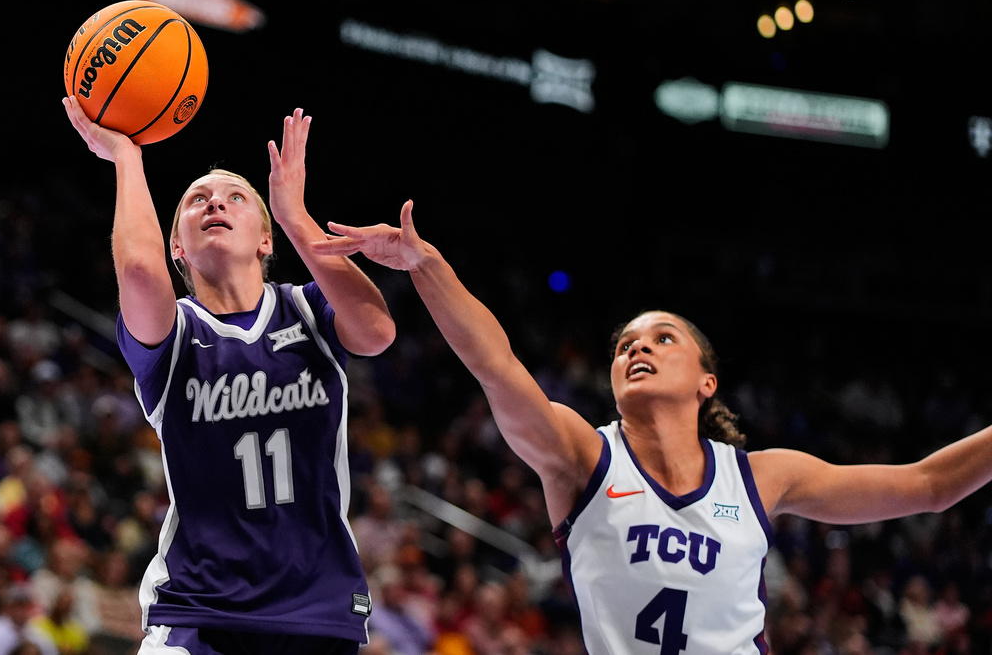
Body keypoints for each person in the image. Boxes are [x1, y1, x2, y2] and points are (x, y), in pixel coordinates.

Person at [309, 200, 992, 655]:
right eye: (625, 344)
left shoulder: (760, 475)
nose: (637, 347)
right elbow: (495, 364)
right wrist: (427, 266)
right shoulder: (581, 455)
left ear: (706, 380)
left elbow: (928, 484)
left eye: (662, 338)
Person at [62, 96, 396, 655]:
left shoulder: (310, 310)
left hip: (315, 612)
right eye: (196, 200)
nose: (215, 200)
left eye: (236, 196)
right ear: (178, 247)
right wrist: (127, 157)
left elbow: (377, 331)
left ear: (265, 239)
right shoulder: (170, 336)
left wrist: (295, 217)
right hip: (198, 613)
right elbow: (140, 272)